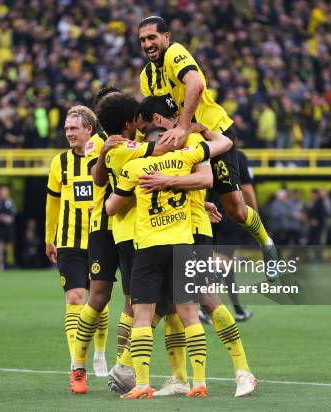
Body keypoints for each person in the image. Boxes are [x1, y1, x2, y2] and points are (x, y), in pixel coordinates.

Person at [137, 16, 278, 281]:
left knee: (236, 210)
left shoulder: (175, 53)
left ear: (166, 37)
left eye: (152, 37)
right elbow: (151, 115)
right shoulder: (146, 76)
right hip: (186, 141)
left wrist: (183, 125)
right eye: (143, 40)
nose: (147, 44)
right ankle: (194, 280)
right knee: (186, 202)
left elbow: (196, 85)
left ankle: (266, 243)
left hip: (213, 133)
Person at [135, 97, 257, 397]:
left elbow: (208, 171)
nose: (145, 134)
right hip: (170, 231)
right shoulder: (156, 147)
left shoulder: (189, 138)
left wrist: (199, 130)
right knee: (171, 305)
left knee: (206, 298)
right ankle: (179, 377)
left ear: (158, 120)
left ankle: (243, 371)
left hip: (195, 231)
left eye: (148, 126)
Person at [104, 124, 233, 399]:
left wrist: (133, 196)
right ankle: (199, 382)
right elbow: (225, 143)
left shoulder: (135, 167)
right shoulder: (185, 159)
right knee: (189, 314)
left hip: (149, 248)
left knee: (142, 316)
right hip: (182, 246)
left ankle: (141, 385)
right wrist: (202, 128)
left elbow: (111, 208)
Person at [69, 93, 177, 395]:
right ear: (128, 118)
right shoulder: (99, 144)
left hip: (129, 224)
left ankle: (122, 366)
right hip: (105, 224)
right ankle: (78, 365)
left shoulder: (129, 143)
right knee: (100, 296)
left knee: (134, 302)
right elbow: (98, 179)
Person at [45, 106, 110, 388]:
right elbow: (53, 203)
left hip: (99, 237)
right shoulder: (59, 163)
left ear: (89, 129)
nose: (69, 133)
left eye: (74, 128)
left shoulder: (103, 158)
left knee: (100, 300)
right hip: (69, 242)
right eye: (67, 128)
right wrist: (50, 237)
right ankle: (76, 364)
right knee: (75, 298)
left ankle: (99, 354)